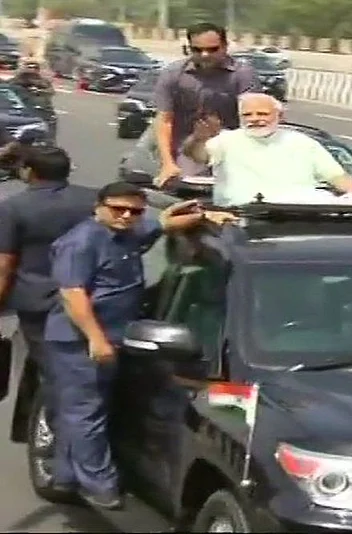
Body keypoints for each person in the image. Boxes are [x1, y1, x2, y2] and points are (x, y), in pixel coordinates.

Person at [44, 182, 237, 509]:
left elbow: (164, 223)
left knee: (85, 411)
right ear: (99, 207)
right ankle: (100, 485)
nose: (126, 215)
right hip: (81, 342)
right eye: (118, 209)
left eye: (134, 211)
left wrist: (204, 215)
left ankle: (65, 476)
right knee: (85, 413)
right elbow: (73, 296)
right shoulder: (81, 242)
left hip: (115, 336)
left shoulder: (128, 233)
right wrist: (96, 339)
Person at [0, 147, 95, 431]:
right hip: (88, 297)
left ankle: (59, 431)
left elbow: (5, 265)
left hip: (37, 303)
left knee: (52, 369)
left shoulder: (15, 207)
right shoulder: (92, 200)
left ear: (30, 171)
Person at [182, 93, 352, 205]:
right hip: (240, 218)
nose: (255, 119)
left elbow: (337, 178)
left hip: (294, 215)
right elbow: (197, 155)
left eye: (262, 114)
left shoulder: (302, 143)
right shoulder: (226, 140)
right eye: (248, 115)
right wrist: (198, 139)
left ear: (279, 116)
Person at [152, 22, 261, 187]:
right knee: (186, 188)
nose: (204, 55)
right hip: (187, 148)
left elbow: (254, 118)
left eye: (212, 49)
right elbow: (164, 120)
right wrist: (167, 163)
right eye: (197, 50)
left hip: (231, 147)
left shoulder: (243, 75)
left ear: (225, 46)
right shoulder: (173, 73)